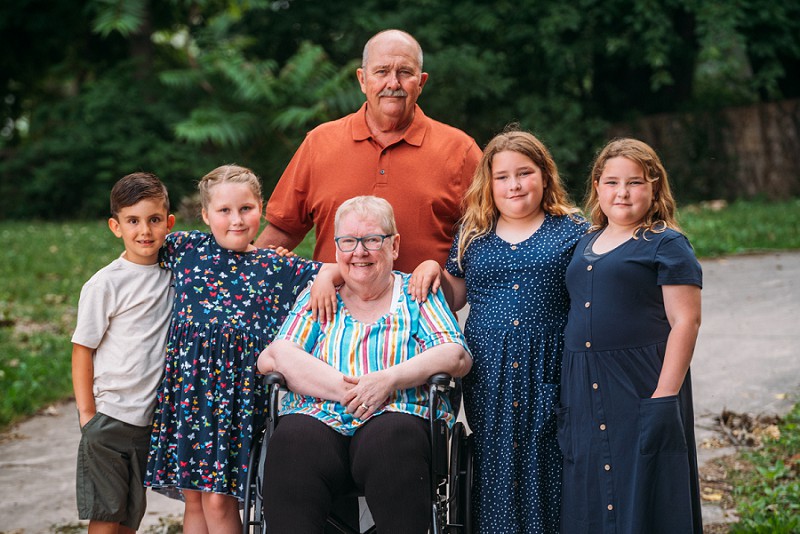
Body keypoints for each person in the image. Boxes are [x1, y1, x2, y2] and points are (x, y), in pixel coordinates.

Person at [256, 196, 472, 534]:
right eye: (348, 241)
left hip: (397, 418)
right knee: (292, 439)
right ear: (337, 248)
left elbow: (455, 354)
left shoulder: (415, 294)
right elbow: (273, 356)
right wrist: (347, 391)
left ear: (394, 245)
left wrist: (388, 380)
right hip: (319, 418)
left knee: (392, 439)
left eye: (372, 239)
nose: (360, 252)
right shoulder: (320, 295)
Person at [409, 129, 588, 533]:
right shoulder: (475, 233)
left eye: (524, 173)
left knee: (548, 455)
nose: (514, 185)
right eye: (503, 176)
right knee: (496, 458)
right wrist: (432, 269)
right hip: (489, 368)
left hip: (550, 362)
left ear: (545, 176)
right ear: (489, 184)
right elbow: (455, 295)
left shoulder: (573, 231)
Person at [144, 165, 336, 533]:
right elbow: (139, 244)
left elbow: (336, 267)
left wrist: (326, 276)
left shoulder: (277, 266)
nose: (236, 220)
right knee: (194, 497)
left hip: (236, 402)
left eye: (246, 209)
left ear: (261, 208)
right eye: (224, 211)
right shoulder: (185, 248)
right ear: (205, 215)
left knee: (218, 499)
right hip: (189, 395)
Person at [558, 138, 703, 533]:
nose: (622, 192)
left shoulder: (666, 243)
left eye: (635, 182)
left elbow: (685, 322)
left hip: (639, 383)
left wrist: (664, 396)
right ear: (597, 187)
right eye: (612, 182)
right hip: (584, 386)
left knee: (645, 486)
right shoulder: (585, 241)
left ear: (654, 187)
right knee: (592, 488)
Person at [254, 29, 482, 272]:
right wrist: (239, 284)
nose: (393, 83)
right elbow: (283, 228)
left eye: (404, 72)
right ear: (362, 80)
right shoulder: (320, 142)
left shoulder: (460, 150)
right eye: (381, 72)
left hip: (423, 308)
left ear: (421, 82)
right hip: (334, 307)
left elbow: (492, 233)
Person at [71, 172, 176, 534]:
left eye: (154, 220)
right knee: (107, 515)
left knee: (131, 515)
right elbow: (82, 349)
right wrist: (88, 416)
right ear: (116, 226)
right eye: (132, 221)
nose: (144, 230)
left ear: (169, 223)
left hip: (148, 423)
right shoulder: (106, 283)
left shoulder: (175, 274)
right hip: (109, 418)